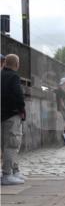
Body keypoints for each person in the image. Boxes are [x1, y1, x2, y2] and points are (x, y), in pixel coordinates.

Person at [1, 54, 27, 185]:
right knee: (12, 144)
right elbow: (18, 95)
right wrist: (22, 110)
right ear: (17, 64)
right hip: (12, 115)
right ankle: (7, 174)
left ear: (5, 63)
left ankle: (15, 171)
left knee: (5, 145)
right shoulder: (14, 76)